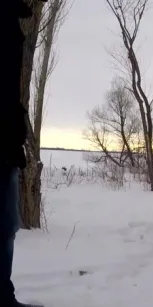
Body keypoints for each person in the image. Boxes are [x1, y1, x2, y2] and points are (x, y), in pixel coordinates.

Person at [1, 1, 45, 306]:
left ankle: (3, 296)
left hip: (4, 145)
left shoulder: (12, 22)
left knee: (5, 226)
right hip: (0, 144)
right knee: (3, 225)